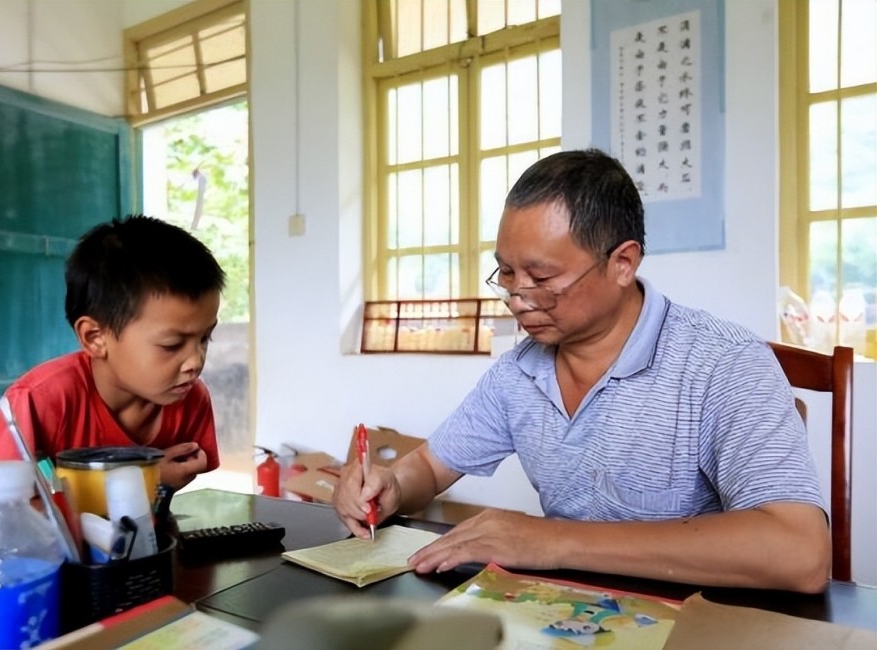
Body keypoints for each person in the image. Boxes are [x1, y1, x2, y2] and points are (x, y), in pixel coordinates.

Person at [333, 149, 831, 594]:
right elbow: (430, 466)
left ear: (622, 263)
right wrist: (391, 486)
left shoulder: (722, 363)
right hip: (567, 613)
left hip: (696, 620)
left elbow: (799, 552)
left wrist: (552, 540)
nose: (518, 298)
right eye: (506, 273)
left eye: (542, 277)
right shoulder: (519, 373)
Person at [0, 215, 226, 491]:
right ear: (95, 338)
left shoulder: (190, 397)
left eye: (205, 338)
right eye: (171, 345)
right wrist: (146, 480)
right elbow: (2, 511)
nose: (196, 361)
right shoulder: (37, 403)